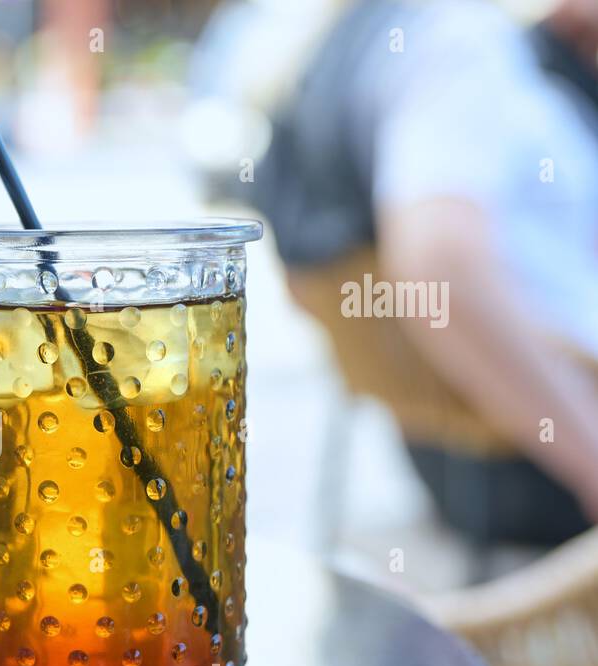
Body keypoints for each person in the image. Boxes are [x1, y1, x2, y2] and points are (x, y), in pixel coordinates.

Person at [249, 0, 598, 545]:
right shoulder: (455, 42)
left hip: (466, 457)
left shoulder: (369, 33)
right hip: (536, 460)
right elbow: (440, 266)